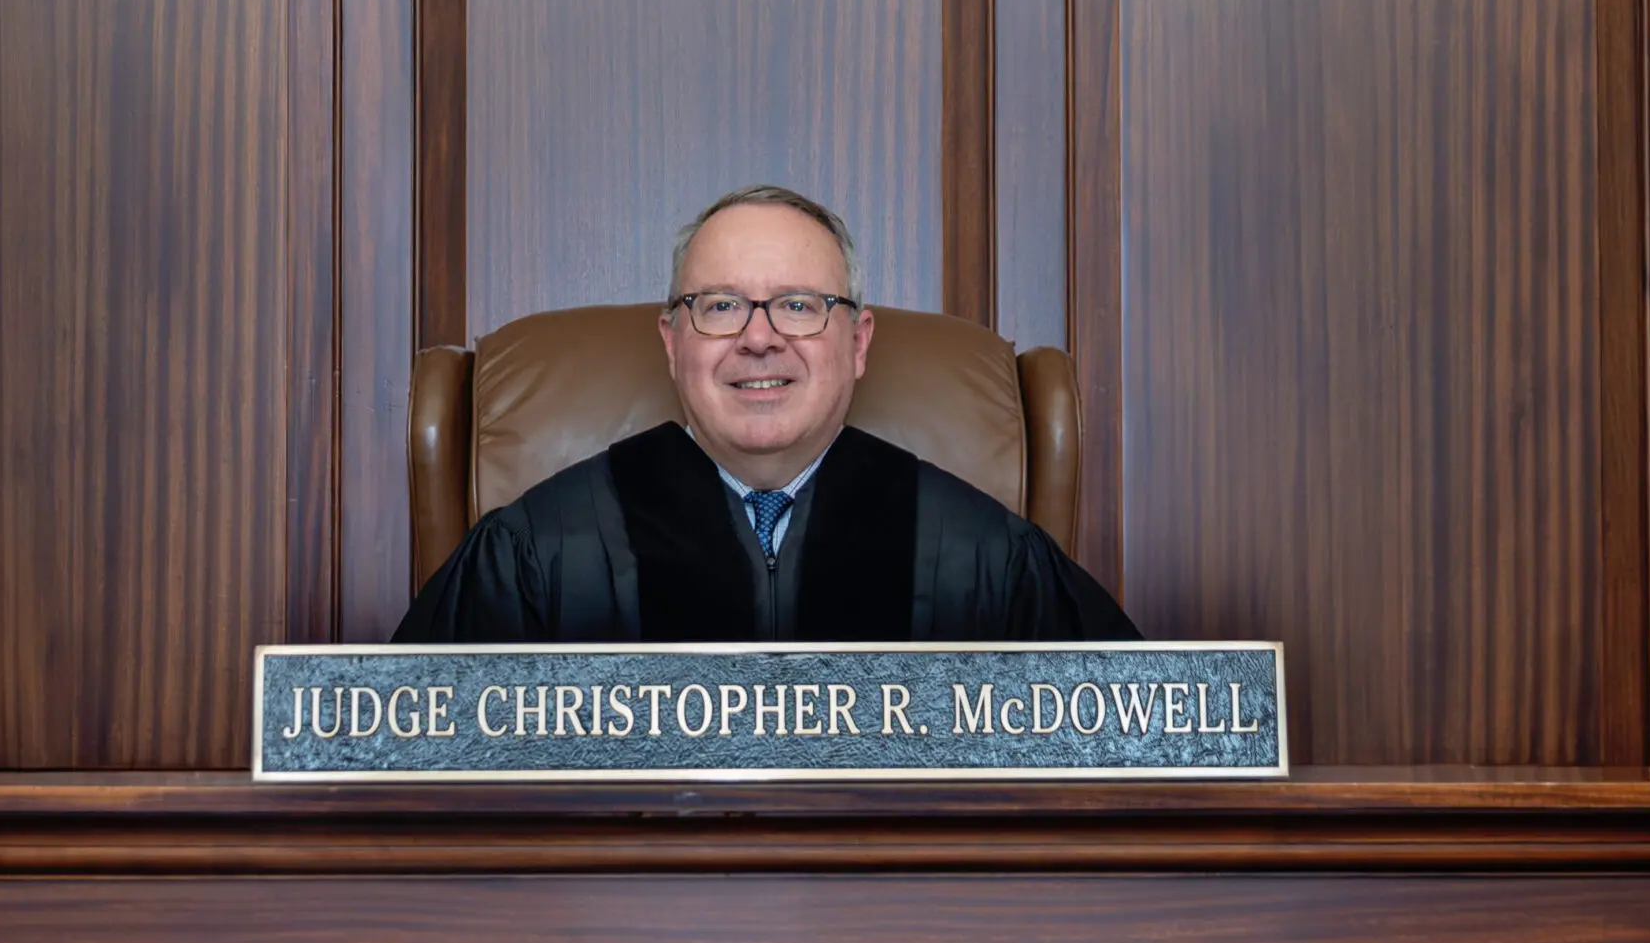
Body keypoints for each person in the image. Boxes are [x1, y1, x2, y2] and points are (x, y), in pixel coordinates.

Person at [396, 185, 1137, 642]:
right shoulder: (534, 552)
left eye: (798, 306)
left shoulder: (986, 558)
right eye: (719, 306)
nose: (759, 337)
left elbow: (1135, 758)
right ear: (672, 341)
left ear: (857, 342)